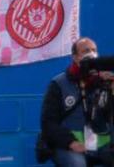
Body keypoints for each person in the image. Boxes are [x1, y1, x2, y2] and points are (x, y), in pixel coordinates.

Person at [36, 37, 113, 166]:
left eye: (94, 50)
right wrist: (71, 143)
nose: (91, 54)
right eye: (86, 50)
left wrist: (111, 91)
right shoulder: (59, 84)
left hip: (102, 144)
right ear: (75, 57)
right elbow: (48, 123)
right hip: (69, 144)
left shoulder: (105, 81)